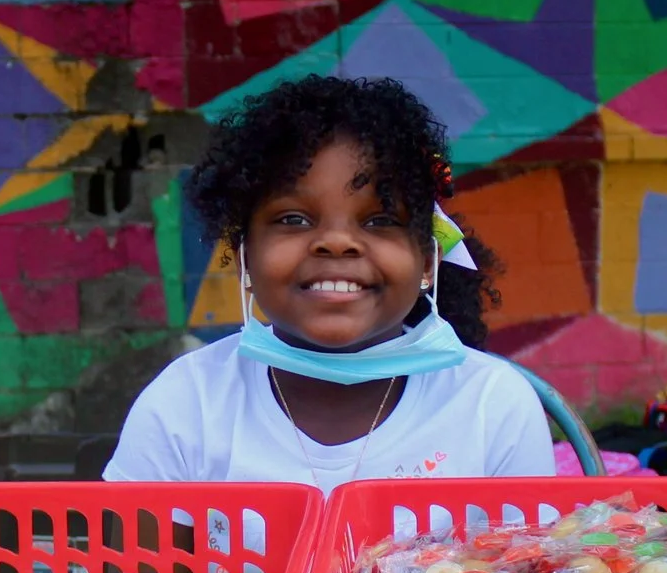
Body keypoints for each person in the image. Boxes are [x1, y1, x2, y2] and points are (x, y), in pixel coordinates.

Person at [105, 75, 557, 490]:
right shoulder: (187, 403)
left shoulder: (491, 406)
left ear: (426, 262)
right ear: (246, 255)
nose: (337, 242)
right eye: (293, 219)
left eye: (380, 220)